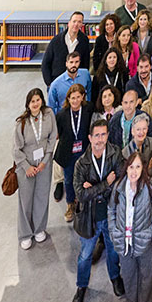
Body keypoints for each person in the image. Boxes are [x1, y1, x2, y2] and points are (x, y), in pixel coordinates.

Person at [108, 150, 152, 302]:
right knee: (129, 275)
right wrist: (113, 231)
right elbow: (111, 210)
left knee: (146, 277)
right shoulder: (118, 187)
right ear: (126, 168)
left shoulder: (151, 187)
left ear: (144, 168)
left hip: (144, 242)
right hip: (123, 243)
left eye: (138, 167)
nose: (134, 171)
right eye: (131, 167)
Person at [71, 118, 124, 302]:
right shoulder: (81, 164)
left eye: (103, 135)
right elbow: (81, 195)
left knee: (113, 251)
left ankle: (115, 277)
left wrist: (93, 188)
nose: (100, 139)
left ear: (108, 136)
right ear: (89, 137)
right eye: (96, 135)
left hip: (110, 214)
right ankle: (81, 286)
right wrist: (105, 184)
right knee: (85, 256)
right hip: (89, 217)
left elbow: (120, 182)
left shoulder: (115, 153)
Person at [14, 89, 57, 250]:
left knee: (41, 197)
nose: (35, 103)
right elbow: (16, 149)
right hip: (27, 167)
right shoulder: (22, 123)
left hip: (44, 165)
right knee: (26, 201)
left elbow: (53, 137)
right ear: (28, 104)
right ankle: (25, 234)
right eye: (32, 101)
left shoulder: (49, 115)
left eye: (38, 100)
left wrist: (45, 160)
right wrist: (26, 167)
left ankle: (39, 228)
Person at [55, 84, 91, 221]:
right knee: (69, 179)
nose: (75, 101)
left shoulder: (88, 110)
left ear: (82, 97)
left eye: (78, 97)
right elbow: (58, 134)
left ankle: (83, 202)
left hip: (84, 152)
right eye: (72, 98)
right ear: (68, 99)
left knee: (84, 179)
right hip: (68, 153)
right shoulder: (61, 115)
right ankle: (70, 203)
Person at [42, 11, 91, 87]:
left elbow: (85, 63)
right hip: (57, 82)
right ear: (69, 23)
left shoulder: (84, 41)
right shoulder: (56, 40)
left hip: (76, 83)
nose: (76, 24)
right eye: (74, 21)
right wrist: (49, 83)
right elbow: (45, 63)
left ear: (82, 25)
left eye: (79, 22)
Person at [48, 51, 91, 117]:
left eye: (76, 62)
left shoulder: (86, 74)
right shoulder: (55, 84)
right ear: (66, 63)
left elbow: (89, 92)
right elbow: (51, 106)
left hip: (82, 114)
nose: (73, 65)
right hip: (64, 117)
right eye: (71, 62)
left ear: (79, 63)